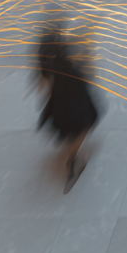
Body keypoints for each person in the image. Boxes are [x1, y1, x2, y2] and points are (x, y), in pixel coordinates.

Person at [35, 27, 100, 191]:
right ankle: (74, 159)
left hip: (60, 99)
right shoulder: (71, 54)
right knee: (86, 122)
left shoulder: (46, 57)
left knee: (69, 127)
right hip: (76, 96)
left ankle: (72, 152)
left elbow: (44, 84)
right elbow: (88, 70)